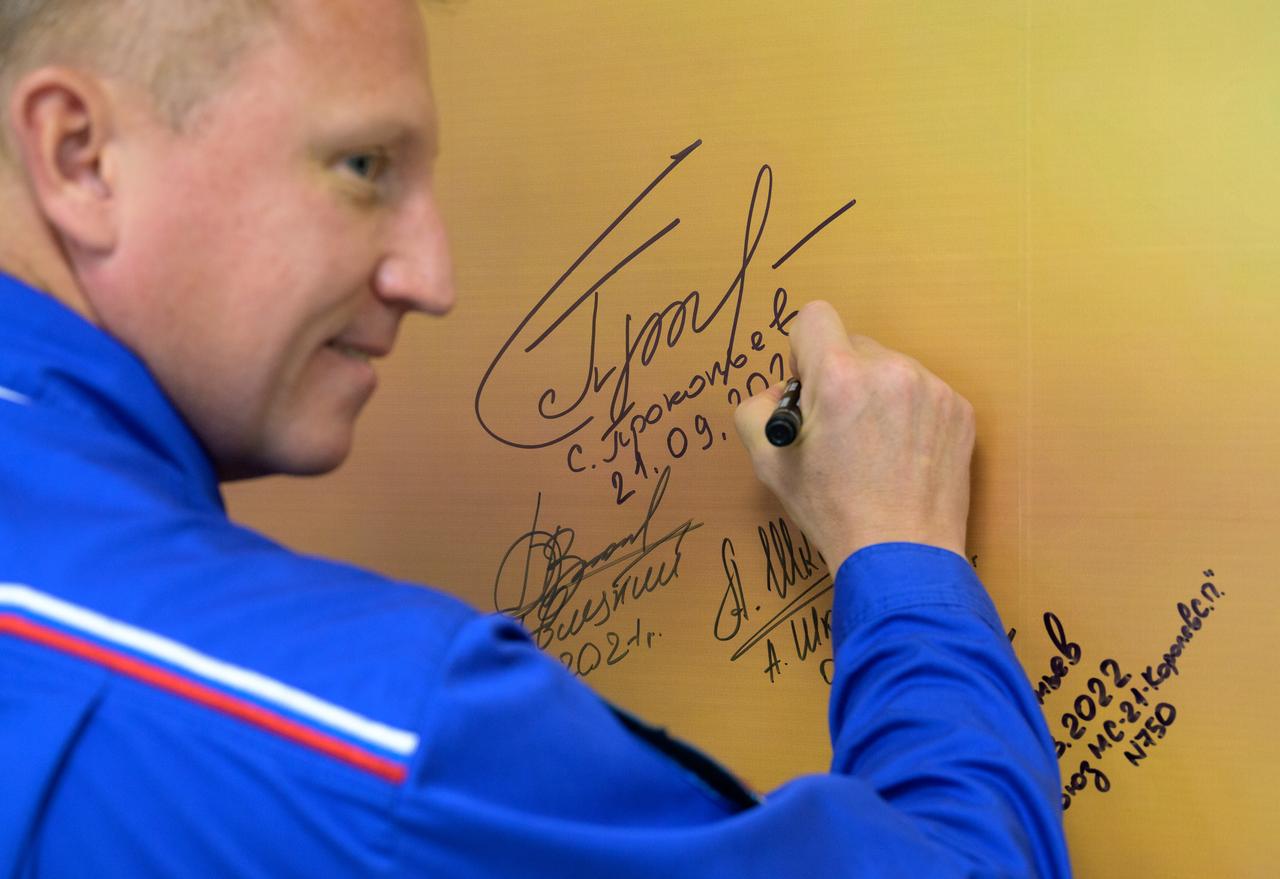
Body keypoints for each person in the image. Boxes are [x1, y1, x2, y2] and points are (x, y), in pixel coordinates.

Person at [0, 1, 1071, 876]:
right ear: (80, 156)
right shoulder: (383, 736)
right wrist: (904, 564)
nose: (433, 279)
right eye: (362, 168)